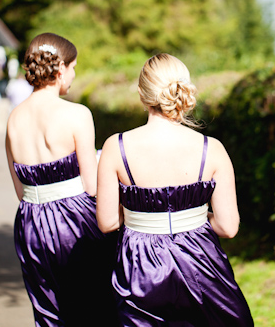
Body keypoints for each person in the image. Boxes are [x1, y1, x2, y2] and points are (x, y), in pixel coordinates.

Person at [97, 53, 254, 326]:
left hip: (140, 267)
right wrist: (191, 218)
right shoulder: (212, 149)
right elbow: (228, 227)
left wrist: (141, 216)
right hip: (199, 262)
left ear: (141, 93)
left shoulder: (115, 146)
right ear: (184, 92)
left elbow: (108, 222)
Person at [5, 33, 118, 327]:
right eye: (74, 66)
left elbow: (20, 190)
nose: (74, 74)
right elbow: (93, 186)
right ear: (59, 69)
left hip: (31, 222)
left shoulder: (14, 119)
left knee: (48, 310)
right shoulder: (77, 114)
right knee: (92, 306)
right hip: (74, 221)